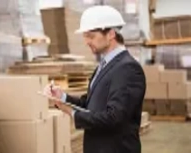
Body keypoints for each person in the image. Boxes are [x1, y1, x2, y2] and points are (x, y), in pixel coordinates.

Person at [44, 5, 146, 153]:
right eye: (85, 36)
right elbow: (89, 105)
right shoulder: (105, 65)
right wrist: (63, 97)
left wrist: (72, 113)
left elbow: (114, 117)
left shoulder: (128, 69)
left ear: (111, 34)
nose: (86, 41)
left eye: (91, 36)